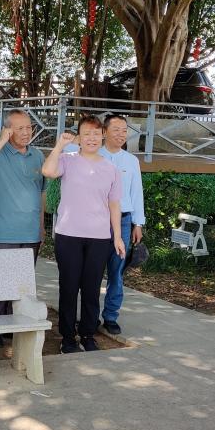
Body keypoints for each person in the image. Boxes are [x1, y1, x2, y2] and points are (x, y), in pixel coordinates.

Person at [42, 116, 126, 354]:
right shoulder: (67, 160)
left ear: (103, 136)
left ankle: (88, 334)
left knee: (91, 289)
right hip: (68, 235)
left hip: (99, 238)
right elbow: (48, 171)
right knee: (69, 288)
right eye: (86, 134)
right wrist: (60, 145)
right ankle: (68, 338)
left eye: (96, 133)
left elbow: (114, 205)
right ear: (78, 138)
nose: (91, 138)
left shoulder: (111, 169)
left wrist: (117, 236)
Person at [0, 109, 46, 348]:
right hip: (5, 231)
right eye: (20, 128)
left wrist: (41, 226)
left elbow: (42, 192)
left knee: (22, 285)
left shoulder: (37, 155)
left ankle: (11, 325)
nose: (26, 132)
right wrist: (1, 141)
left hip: (31, 231)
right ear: (8, 130)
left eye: (29, 127)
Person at [98, 115, 146, 336]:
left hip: (125, 221)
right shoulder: (94, 156)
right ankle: (90, 315)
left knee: (116, 271)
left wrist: (138, 223)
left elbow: (136, 193)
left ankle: (111, 316)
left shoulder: (131, 161)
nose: (121, 134)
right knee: (93, 270)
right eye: (116, 129)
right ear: (104, 132)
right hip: (97, 220)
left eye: (124, 130)